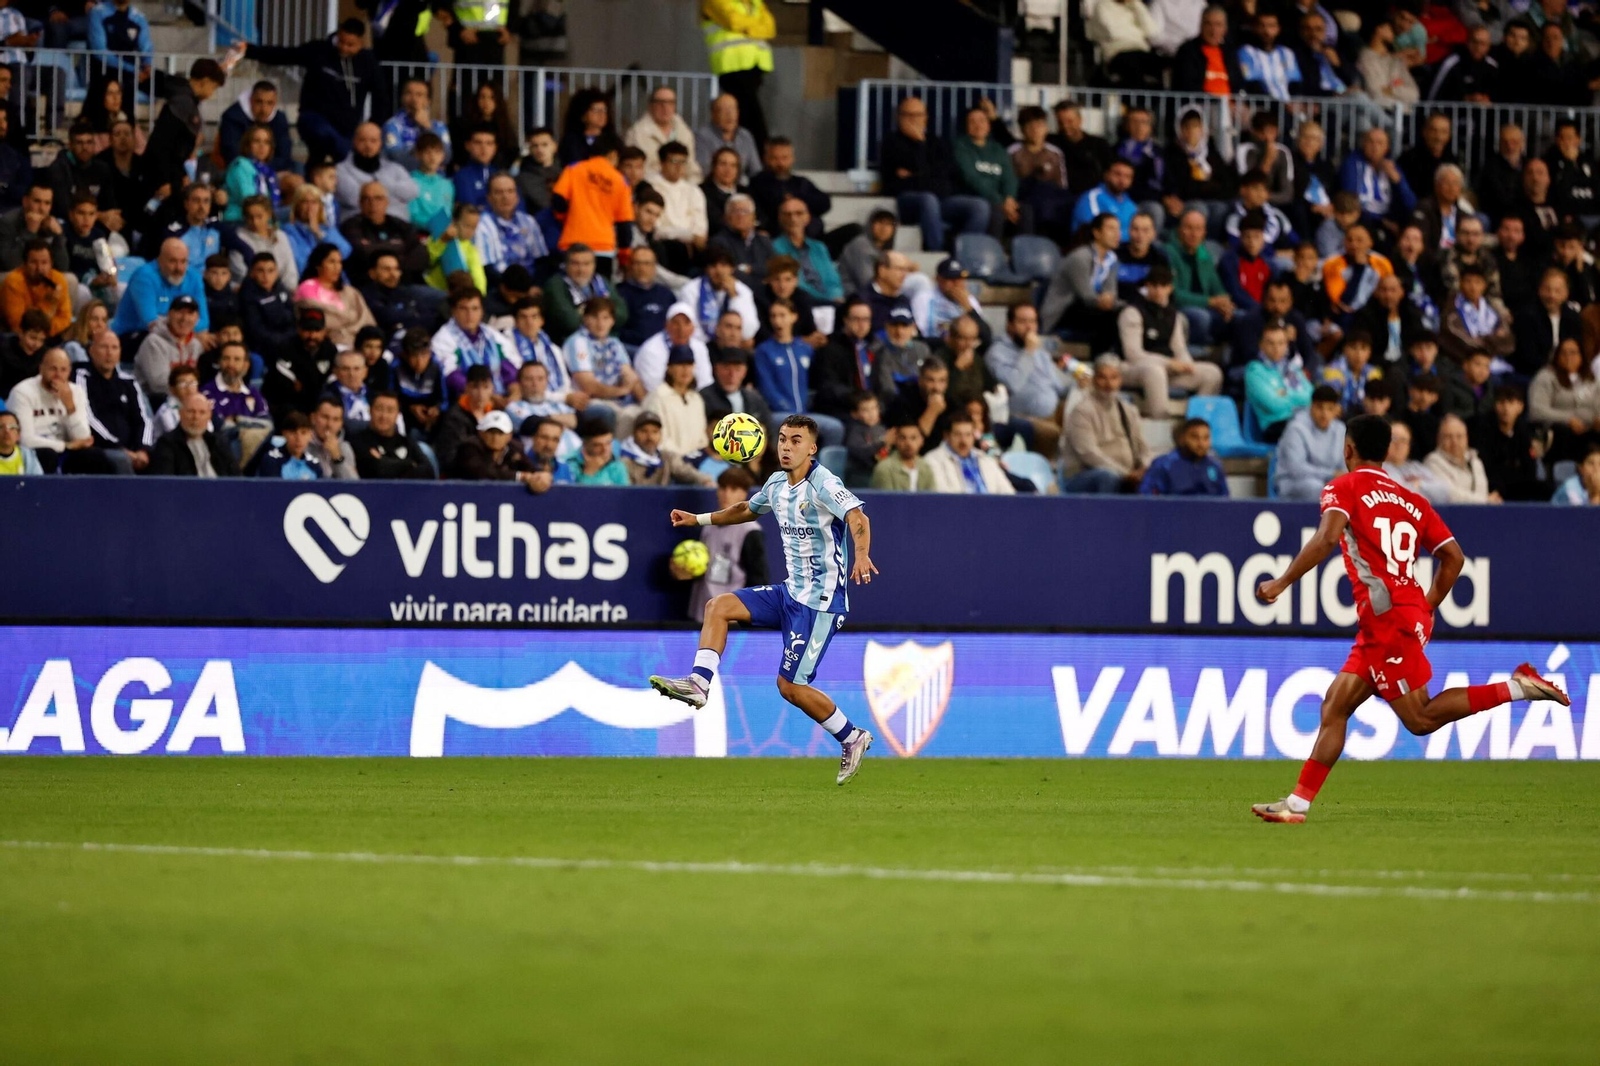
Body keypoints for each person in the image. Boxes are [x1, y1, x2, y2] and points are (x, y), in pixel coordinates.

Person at [1251, 414, 1567, 822]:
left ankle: (1519, 687)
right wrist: (1429, 604)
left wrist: (1282, 582)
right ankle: (1297, 804)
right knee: (1335, 705)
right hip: (1398, 615)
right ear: (1385, 452)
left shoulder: (1343, 487)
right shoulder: (1412, 499)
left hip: (1388, 621)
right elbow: (1453, 557)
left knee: (1420, 718)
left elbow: (1327, 538)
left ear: (1348, 449)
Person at [650, 414, 876, 783]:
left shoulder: (823, 482)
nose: (787, 447)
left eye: (796, 441)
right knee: (718, 606)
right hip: (789, 592)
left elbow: (856, 515)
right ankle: (699, 684)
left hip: (820, 602)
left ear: (812, 448)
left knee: (790, 687)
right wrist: (699, 519)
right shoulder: (775, 484)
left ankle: (851, 736)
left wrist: (862, 553)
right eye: (783, 439)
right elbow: (744, 510)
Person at [235, 19, 378, 166]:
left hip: (346, 127)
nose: (344, 48)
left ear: (361, 43)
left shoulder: (368, 62)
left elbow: (381, 98)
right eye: (341, 42)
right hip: (314, 119)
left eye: (351, 45)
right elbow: (286, 55)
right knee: (335, 144)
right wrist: (250, 50)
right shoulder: (319, 51)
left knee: (324, 159)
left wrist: (375, 125)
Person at [879, 96, 987, 253]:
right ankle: (937, 254)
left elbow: (947, 172)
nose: (913, 119)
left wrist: (915, 174)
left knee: (980, 207)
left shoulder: (937, 142)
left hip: (941, 199)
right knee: (928, 199)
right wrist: (919, 145)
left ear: (926, 117)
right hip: (908, 202)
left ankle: (964, 255)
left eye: (917, 115)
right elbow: (898, 183)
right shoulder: (891, 142)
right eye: (907, 115)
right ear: (899, 117)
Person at [1116, 264, 1222, 418]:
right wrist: (1168, 363)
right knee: (1155, 371)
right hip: (1131, 368)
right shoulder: (1132, 312)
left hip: (1165, 369)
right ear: (1147, 286)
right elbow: (1133, 354)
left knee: (1212, 373)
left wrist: (1187, 365)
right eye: (1154, 286)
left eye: (1163, 286)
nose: (1159, 291)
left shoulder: (1174, 315)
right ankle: (1160, 418)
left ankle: (1196, 419)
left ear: (1170, 288)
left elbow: (1179, 348)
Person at [6, 347, 111, 474]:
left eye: (63, 370)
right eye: (53, 369)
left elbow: (84, 438)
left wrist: (70, 407)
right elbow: (24, 439)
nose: (58, 375)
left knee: (95, 456)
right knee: (47, 454)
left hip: (66, 450)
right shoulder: (23, 392)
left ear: (69, 371)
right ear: (41, 369)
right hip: (37, 450)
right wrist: (65, 446)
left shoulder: (76, 391)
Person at [1060, 355, 1148, 493]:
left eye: (1114, 378)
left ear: (1120, 380)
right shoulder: (1082, 411)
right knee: (1107, 477)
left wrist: (1144, 469)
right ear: (1094, 380)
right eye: (1103, 377)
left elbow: (1142, 446)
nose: (1108, 384)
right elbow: (1088, 454)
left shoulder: (1129, 410)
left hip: (1126, 474)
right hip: (1084, 475)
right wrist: (1124, 474)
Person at [142, 58, 228, 195]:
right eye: (213, 88)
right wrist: (165, 181)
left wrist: (182, 175)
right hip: (162, 181)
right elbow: (163, 145)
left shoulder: (180, 94)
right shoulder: (183, 104)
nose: (212, 94)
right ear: (205, 82)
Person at [72, 330, 149, 474]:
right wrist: (119, 448)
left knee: (162, 455)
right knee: (120, 459)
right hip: (100, 447)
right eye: (104, 347)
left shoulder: (129, 381)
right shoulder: (81, 377)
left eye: (114, 348)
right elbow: (88, 418)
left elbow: (143, 419)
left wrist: (143, 449)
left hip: (133, 449)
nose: (109, 353)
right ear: (92, 351)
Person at [1042, 212, 1122, 349]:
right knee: (1109, 318)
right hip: (1063, 312)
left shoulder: (1112, 259)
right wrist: (1108, 301)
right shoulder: (1080, 257)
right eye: (1111, 229)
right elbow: (1087, 297)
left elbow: (1111, 293)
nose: (1117, 234)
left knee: (1126, 313)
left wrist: (1120, 303)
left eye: (1118, 229)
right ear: (1096, 233)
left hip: (1088, 309)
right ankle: (1101, 360)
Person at [111, 238, 209, 338]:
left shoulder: (194, 277)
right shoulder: (144, 277)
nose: (179, 268)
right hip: (133, 335)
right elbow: (152, 323)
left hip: (176, 335)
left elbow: (203, 322)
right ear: (160, 261)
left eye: (183, 261)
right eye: (173, 261)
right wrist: (186, 327)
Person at [1528, 336, 1600, 462]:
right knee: (1563, 432)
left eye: (1573, 352)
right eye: (1563, 352)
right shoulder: (1546, 377)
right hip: (1560, 431)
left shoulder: (1591, 379)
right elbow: (1537, 410)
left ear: (1581, 356)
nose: (1568, 357)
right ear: (1556, 356)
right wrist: (1567, 419)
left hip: (1590, 429)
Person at [951, 106, 1019, 238]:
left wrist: (1009, 198)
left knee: (1025, 211)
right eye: (972, 122)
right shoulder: (960, 147)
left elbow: (1009, 177)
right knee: (995, 211)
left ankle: (1022, 255)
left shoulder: (997, 148)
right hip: (974, 198)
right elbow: (972, 179)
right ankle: (993, 253)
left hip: (1000, 201)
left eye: (982, 121)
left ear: (988, 125)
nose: (978, 125)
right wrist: (1001, 201)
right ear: (966, 126)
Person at [640, 344, 714, 460]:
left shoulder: (696, 399)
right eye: (680, 364)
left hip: (697, 460)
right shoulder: (657, 397)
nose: (685, 369)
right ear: (669, 368)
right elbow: (658, 440)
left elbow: (702, 437)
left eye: (689, 364)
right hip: (669, 461)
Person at [295, 244, 377, 348]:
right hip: (328, 344)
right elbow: (322, 321)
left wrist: (346, 328)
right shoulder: (307, 288)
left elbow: (366, 319)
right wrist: (350, 318)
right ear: (318, 264)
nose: (337, 267)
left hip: (359, 342)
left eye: (339, 262)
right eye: (331, 261)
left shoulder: (349, 291)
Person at [1275, 385, 1347, 500]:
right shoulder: (1296, 428)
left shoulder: (1340, 429)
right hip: (1293, 482)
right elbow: (1296, 469)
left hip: (1328, 482)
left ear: (1336, 410)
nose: (1324, 414)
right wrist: (1331, 474)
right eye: (1320, 408)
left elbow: (1344, 466)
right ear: (1311, 407)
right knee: (1317, 488)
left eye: (1330, 409)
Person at [1245, 322, 1314, 441]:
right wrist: (1299, 402)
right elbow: (1273, 405)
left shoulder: (1292, 369)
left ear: (1287, 345)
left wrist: (1286, 394)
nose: (1276, 348)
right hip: (1275, 425)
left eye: (1281, 343)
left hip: (1301, 420)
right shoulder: (1254, 371)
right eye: (1270, 343)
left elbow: (1312, 397)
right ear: (1261, 345)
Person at [149, 392, 238, 477]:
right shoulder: (166, 443)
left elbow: (237, 478)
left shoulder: (219, 442)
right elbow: (165, 483)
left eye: (202, 412)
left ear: (209, 416)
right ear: (181, 413)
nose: (196, 417)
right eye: (191, 411)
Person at [133, 295, 203, 402]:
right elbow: (158, 385)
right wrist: (189, 391)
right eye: (180, 312)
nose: (184, 318)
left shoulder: (196, 345)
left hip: (186, 402)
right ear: (169, 314)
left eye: (190, 313)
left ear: (197, 318)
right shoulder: (153, 342)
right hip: (153, 401)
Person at [350, 390, 434, 479]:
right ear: (370, 410)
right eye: (379, 409)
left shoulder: (407, 442)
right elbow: (378, 470)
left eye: (390, 410)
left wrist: (383, 460)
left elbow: (428, 471)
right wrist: (410, 464)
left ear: (397, 414)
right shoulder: (358, 441)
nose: (384, 416)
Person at [626, 86, 701, 182]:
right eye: (660, 103)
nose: (665, 107)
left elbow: (691, 166)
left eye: (670, 103)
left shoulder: (685, 133)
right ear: (651, 106)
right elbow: (634, 170)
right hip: (650, 186)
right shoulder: (636, 134)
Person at [620, 409, 712, 487]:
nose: (650, 437)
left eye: (655, 432)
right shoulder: (625, 461)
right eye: (644, 431)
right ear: (634, 433)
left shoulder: (667, 457)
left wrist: (705, 480)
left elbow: (685, 471)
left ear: (661, 435)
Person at [1140, 417, 1227, 496]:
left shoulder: (1215, 466)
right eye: (1195, 437)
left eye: (1206, 438)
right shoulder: (1163, 465)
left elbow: (1225, 500)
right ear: (1182, 439)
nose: (1201, 444)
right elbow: (1147, 498)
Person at [2, 238, 71, 337]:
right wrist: (48, 303)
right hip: (18, 338)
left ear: (51, 264)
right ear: (24, 264)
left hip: (50, 335)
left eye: (44, 263)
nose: (39, 269)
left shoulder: (57, 280)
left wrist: (44, 332)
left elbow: (65, 319)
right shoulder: (13, 282)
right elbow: (18, 327)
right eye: (34, 262)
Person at [1423, 413, 1498, 503]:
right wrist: (1485, 500)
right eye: (1448, 436)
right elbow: (1448, 494)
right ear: (1439, 439)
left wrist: (1483, 500)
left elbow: (1482, 492)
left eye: (1459, 436)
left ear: (1466, 438)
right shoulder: (1432, 462)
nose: (1454, 441)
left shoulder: (1475, 461)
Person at [382, 77, 450, 171]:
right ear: (402, 97)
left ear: (428, 101)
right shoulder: (392, 125)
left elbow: (447, 157)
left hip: (435, 180)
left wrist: (428, 128)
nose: (414, 99)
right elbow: (397, 158)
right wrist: (431, 161)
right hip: (404, 179)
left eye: (419, 95)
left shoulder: (439, 126)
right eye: (408, 93)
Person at [693, 92, 762, 182]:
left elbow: (756, 171)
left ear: (738, 113)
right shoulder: (702, 136)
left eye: (733, 109)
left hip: (741, 189)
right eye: (723, 110)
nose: (729, 115)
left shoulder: (745, 136)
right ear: (713, 114)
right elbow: (704, 171)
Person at [1069, 158, 1138, 235]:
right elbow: (1096, 232)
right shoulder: (1092, 197)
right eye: (1117, 174)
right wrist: (1131, 236)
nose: (1122, 180)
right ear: (1106, 175)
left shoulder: (1130, 204)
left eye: (1127, 176)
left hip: (1122, 246)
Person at [1322, 330, 1383, 414]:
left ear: (1369, 353)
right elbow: (1330, 401)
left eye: (1363, 348)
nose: (1358, 354)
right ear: (1345, 350)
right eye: (1353, 348)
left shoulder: (1373, 372)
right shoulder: (1333, 370)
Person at [870, 419, 934, 491]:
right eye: (903, 438)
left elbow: (932, 498)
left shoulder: (926, 467)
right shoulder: (884, 468)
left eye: (913, 438)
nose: (908, 443)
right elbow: (886, 500)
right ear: (896, 440)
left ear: (922, 441)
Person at [307, 396, 358, 480]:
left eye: (335, 419)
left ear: (341, 424)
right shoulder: (301, 444)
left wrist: (337, 457)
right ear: (313, 418)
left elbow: (354, 485)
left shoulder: (345, 447)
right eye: (325, 417)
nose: (329, 425)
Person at [0, 409, 41, 475]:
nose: (7, 431)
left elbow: (37, 481)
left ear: (18, 434)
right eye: (1, 427)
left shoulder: (27, 455)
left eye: (12, 427)